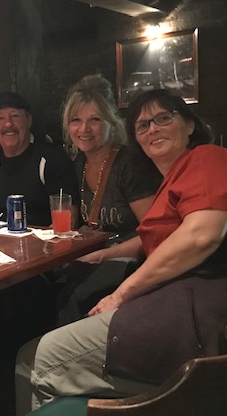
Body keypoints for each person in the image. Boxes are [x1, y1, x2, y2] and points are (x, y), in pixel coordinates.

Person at [15, 89, 227, 415]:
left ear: (190, 125)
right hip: (185, 302)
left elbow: (201, 236)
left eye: (163, 118)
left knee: (35, 359)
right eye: (143, 125)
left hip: (209, 310)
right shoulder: (168, 181)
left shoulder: (208, 157)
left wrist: (120, 294)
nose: (153, 129)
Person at [55, 75, 162, 324]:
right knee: (46, 285)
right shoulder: (80, 162)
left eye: (94, 120)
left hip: (132, 261)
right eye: (76, 120)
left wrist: (104, 255)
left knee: (74, 298)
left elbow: (156, 234)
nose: (84, 129)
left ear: (111, 123)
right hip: (97, 256)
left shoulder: (129, 164)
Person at [0, 91, 79, 227]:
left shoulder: (52, 159)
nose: (8, 124)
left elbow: (68, 220)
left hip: (46, 239)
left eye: (15, 116)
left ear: (28, 120)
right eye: (0, 118)